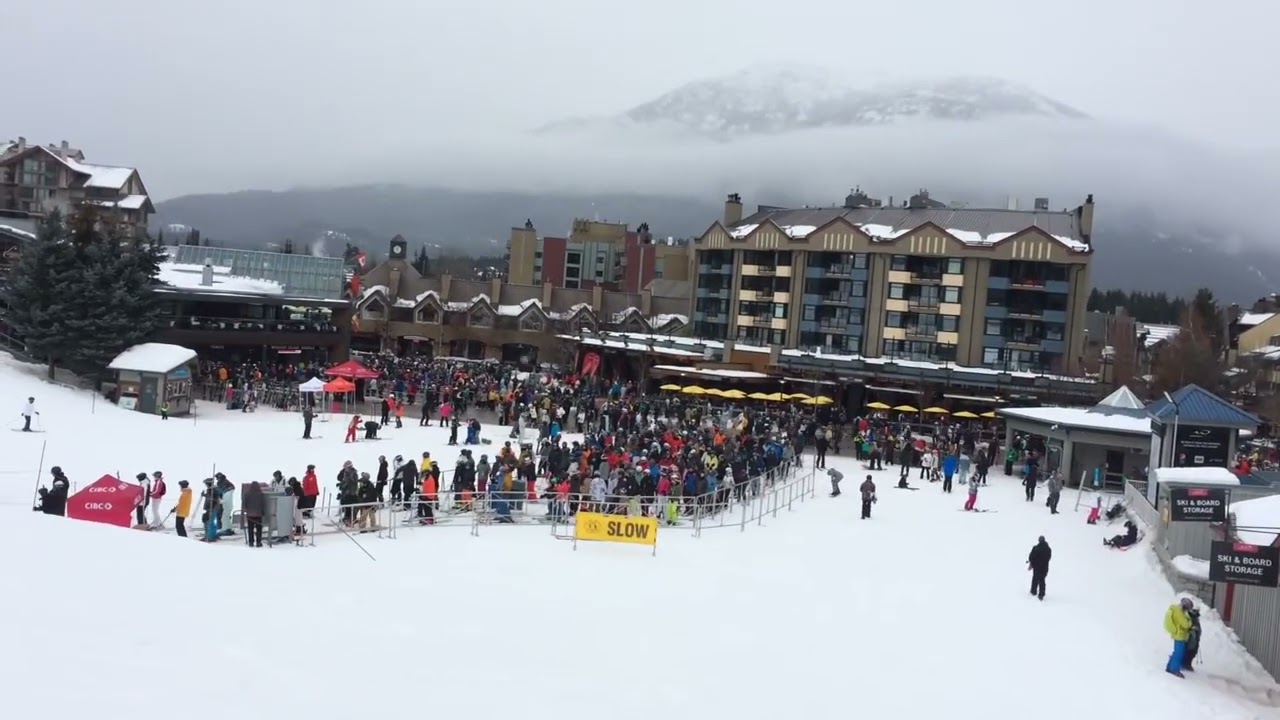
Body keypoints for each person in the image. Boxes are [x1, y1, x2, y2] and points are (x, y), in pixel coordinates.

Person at [1164, 597, 1195, 678]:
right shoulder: (1179, 612)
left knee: (1176, 652)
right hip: (1179, 635)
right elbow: (1185, 624)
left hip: (1179, 635)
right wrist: (1190, 621)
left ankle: (1169, 667)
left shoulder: (1177, 609)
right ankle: (1174, 669)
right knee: (1179, 654)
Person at [1027, 535, 1051, 601]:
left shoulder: (1036, 548)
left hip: (1037, 567)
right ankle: (1041, 594)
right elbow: (1048, 558)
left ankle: (1033, 591)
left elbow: (1031, 557)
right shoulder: (1048, 549)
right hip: (1044, 568)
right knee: (1042, 580)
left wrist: (1033, 563)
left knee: (1035, 579)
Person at [242, 481, 266, 547]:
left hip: (250, 514)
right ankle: (258, 542)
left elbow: (244, 503)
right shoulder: (261, 494)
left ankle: (251, 542)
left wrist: (245, 510)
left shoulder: (247, 494)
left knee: (250, 529)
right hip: (258, 514)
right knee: (259, 529)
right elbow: (263, 504)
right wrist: (263, 512)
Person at [1182, 605, 1202, 672]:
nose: (1196, 612)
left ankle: (1188, 664)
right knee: (1188, 650)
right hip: (1190, 637)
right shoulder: (1188, 616)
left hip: (1195, 638)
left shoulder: (1196, 617)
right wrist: (1192, 629)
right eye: (1194, 610)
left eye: (1197, 611)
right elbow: (1186, 625)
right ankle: (1185, 664)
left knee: (1193, 651)